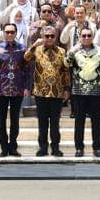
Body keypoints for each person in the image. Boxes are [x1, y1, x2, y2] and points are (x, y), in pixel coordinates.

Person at [25, 25, 69, 157]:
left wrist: (67, 88)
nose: (49, 38)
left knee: (55, 122)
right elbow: (26, 57)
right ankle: (43, 147)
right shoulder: (37, 50)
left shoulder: (61, 51)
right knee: (42, 122)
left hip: (57, 91)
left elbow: (66, 71)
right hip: (41, 91)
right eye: (47, 36)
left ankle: (55, 147)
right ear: (42, 36)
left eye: (52, 36)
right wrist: (34, 45)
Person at [67, 24, 100, 157]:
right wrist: (72, 50)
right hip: (79, 91)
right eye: (83, 36)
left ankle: (96, 147)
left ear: (92, 37)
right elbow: (66, 63)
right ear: (79, 37)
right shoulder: (75, 52)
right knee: (79, 121)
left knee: (96, 121)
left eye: (89, 35)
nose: (86, 38)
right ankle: (79, 147)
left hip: (95, 91)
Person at [0, 23, 28, 156]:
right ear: (3, 33)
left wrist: (27, 87)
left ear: (16, 33)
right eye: (7, 32)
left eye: (12, 32)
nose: (10, 34)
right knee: (1, 120)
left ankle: (13, 146)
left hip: (17, 87)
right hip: (2, 89)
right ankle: (4, 147)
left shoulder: (22, 48)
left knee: (15, 119)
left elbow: (27, 68)